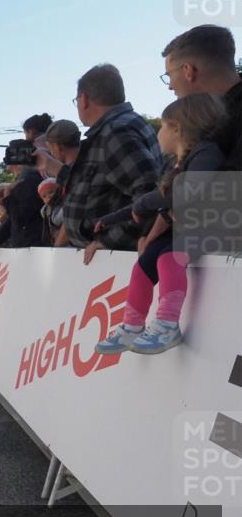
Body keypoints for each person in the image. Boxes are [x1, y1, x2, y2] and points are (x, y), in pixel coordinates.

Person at [96, 93, 227, 356]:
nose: (158, 133)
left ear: (177, 129)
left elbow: (183, 192)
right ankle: (132, 325)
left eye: (163, 126)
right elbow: (158, 201)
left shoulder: (207, 152)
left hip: (208, 228)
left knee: (168, 258)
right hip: (183, 230)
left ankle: (168, 324)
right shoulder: (175, 164)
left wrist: (142, 204)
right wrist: (109, 220)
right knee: (144, 265)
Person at [63, 64, 162, 264]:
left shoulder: (115, 132)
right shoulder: (127, 125)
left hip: (114, 259)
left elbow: (150, 194)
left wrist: (110, 241)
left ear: (83, 100)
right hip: (108, 257)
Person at [161, 25, 241, 169]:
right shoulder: (211, 118)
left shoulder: (217, 124)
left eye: (169, 75)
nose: (170, 86)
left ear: (188, 71)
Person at [0, 142, 46, 265]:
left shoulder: (27, 182)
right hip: (28, 247)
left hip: (30, 248)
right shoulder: (27, 180)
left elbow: (19, 217)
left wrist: (7, 197)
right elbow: (13, 220)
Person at [38, 178, 65, 246]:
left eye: (51, 192)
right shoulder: (45, 210)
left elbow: (59, 219)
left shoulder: (64, 204)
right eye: (44, 196)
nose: (48, 197)